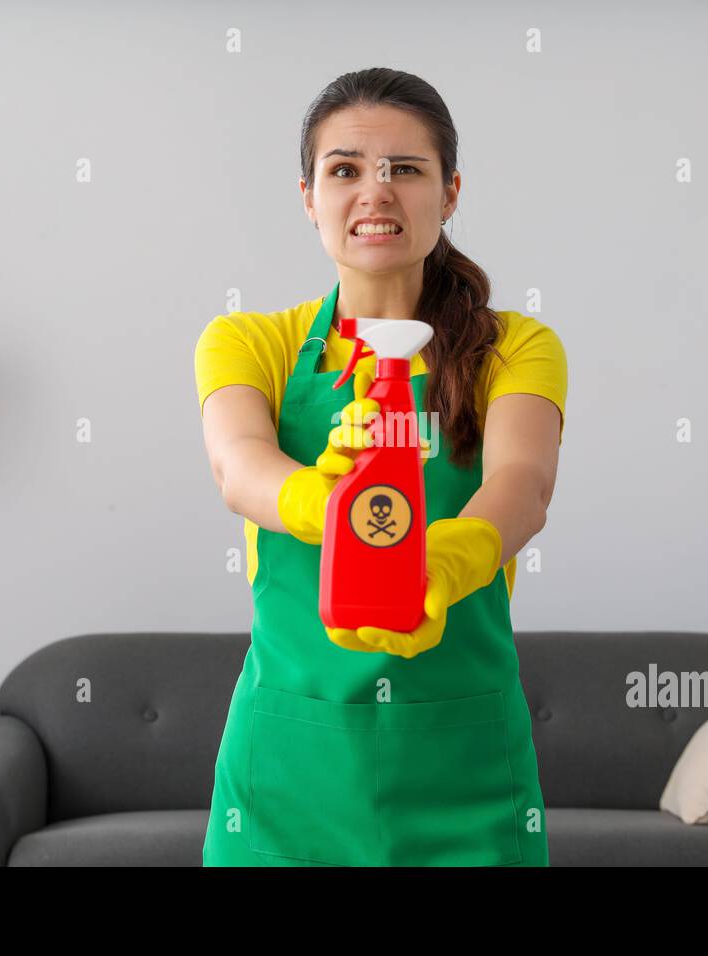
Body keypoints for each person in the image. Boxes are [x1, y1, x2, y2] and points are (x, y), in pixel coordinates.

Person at [194, 67, 567, 866]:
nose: (376, 191)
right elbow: (238, 467)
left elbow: (523, 486)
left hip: (462, 760)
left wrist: (443, 560)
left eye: (406, 169)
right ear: (308, 196)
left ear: (450, 190)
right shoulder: (249, 342)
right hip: (290, 765)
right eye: (345, 170)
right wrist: (323, 501)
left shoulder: (516, 348)